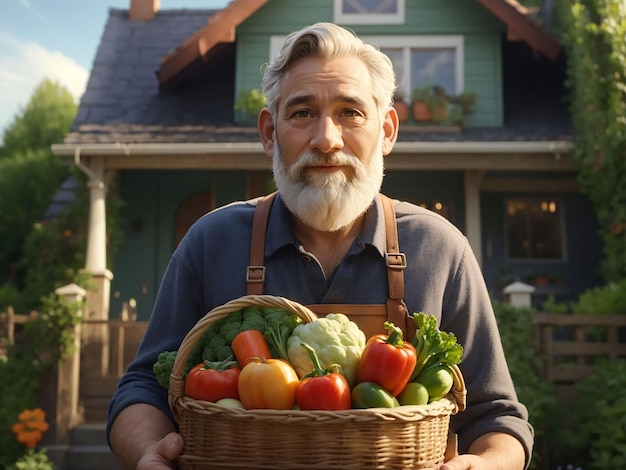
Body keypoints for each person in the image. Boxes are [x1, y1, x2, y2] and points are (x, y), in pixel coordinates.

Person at [107, 22, 533, 470]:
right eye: (302, 113)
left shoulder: (439, 248)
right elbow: (143, 390)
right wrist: (147, 453)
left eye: (350, 112)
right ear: (270, 132)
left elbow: (498, 417)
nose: (327, 139)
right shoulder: (212, 242)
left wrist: (484, 464)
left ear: (387, 131)